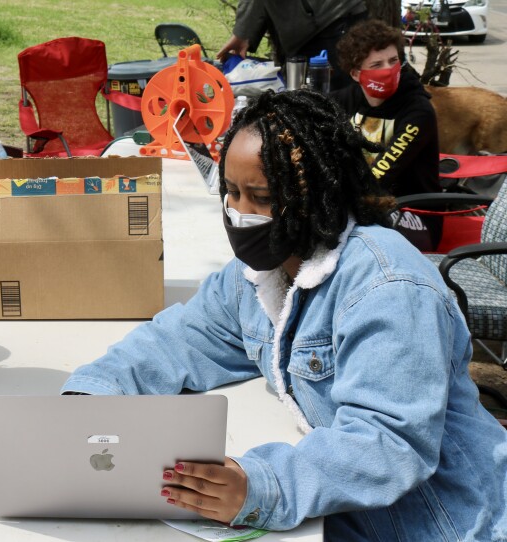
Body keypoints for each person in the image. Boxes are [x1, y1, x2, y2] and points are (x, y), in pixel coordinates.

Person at [61, 90, 507, 540]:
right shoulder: (259, 272)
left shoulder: (389, 290)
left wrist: (263, 485)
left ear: (315, 195)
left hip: (442, 521)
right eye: (231, 192)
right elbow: (182, 337)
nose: (239, 213)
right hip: (343, 510)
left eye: (260, 197)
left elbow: (389, 443)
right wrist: (95, 394)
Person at [331, 18, 440, 197]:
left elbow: (380, 175)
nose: (389, 70)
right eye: (377, 65)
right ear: (355, 74)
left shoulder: (418, 111)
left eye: (393, 61)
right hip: (365, 202)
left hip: (414, 209)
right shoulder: (344, 100)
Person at [216, 0, 367, 92]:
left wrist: (242, 33)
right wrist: (245, 33)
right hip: (318, 22)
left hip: (328, 19)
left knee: (336, 103)